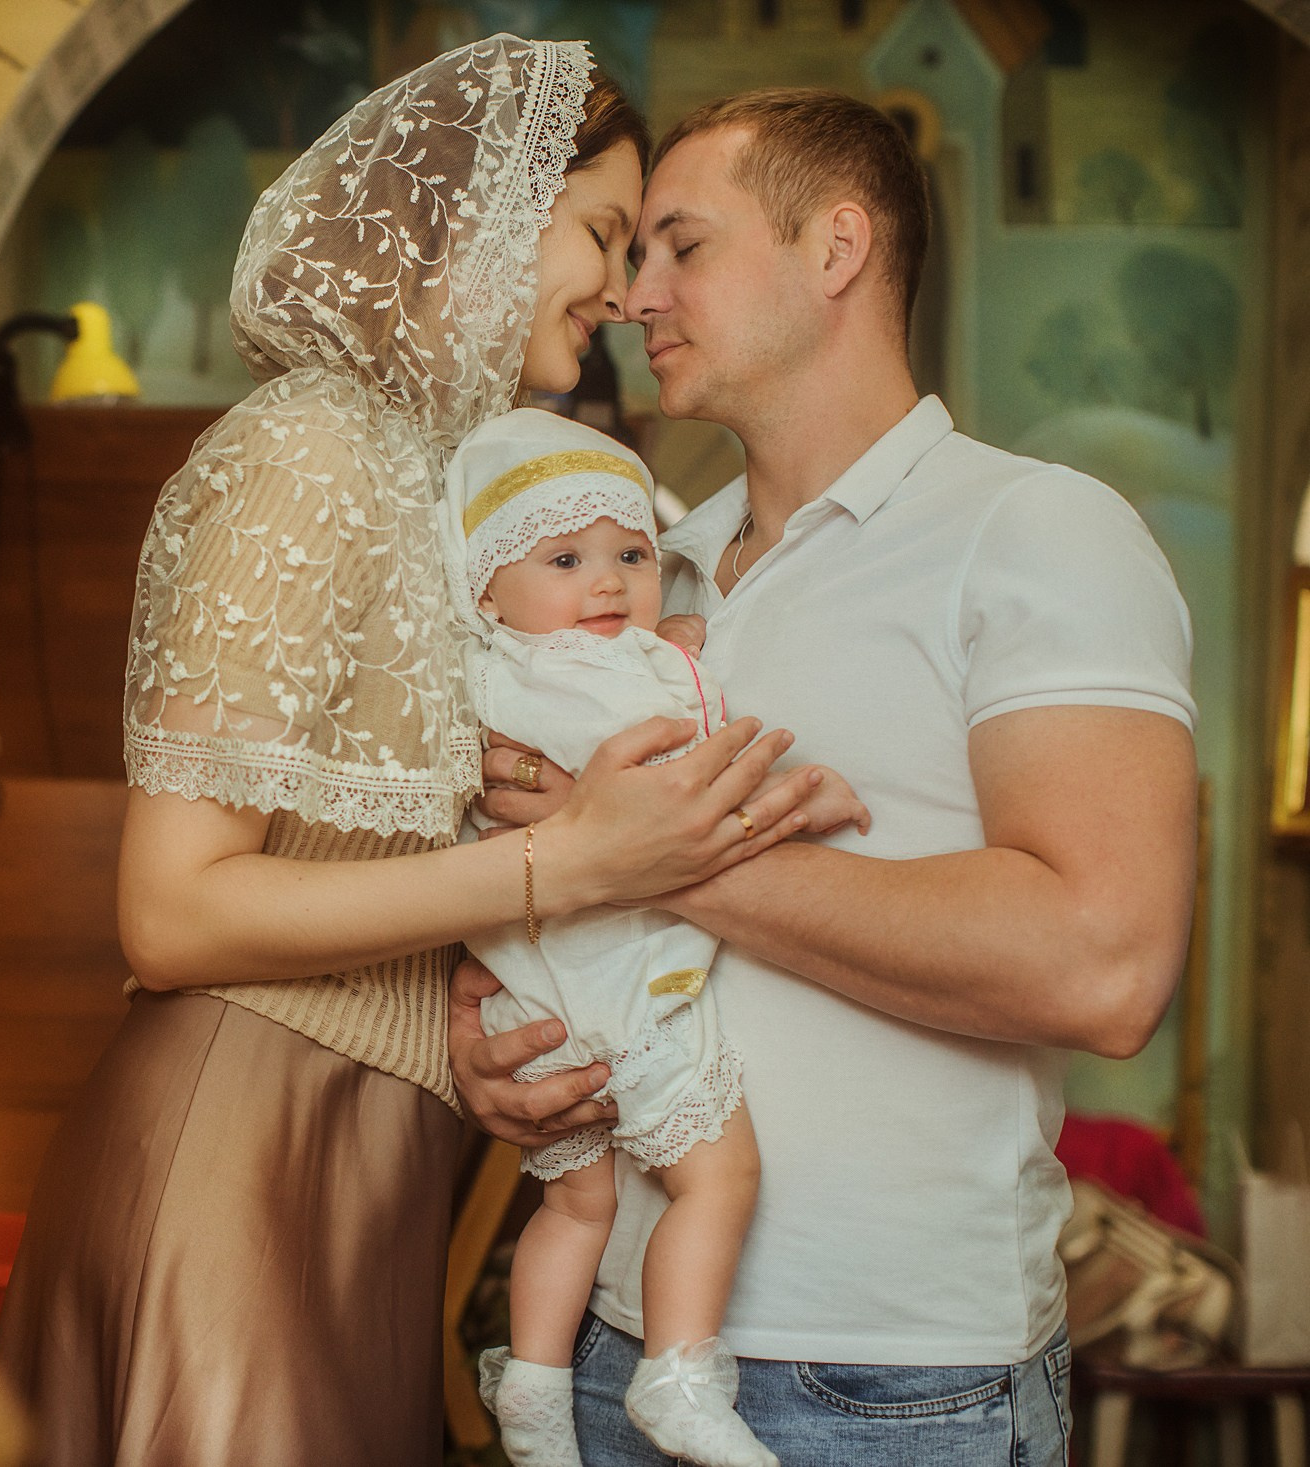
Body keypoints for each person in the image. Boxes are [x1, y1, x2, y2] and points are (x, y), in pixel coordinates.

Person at [0, 39, 824, 1467]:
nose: (622, 291)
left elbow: (369, 861)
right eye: (604, 234)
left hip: (366, 1149)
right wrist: (568, 863)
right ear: (486, 218)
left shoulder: (434, 483)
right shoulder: (313, 448)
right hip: (244, 1142)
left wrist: (466, 1020)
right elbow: (171, 910)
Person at [451, 88, 1198, 1465]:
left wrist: (659, 856)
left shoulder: (1039, 531)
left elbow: (1105, 966)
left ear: (837, 246)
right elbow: (548, 884)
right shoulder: (641, 574)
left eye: (682, 247)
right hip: (611, 1339)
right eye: (633, 254)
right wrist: (488, 1046)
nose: (634, 294)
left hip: (895, 1384)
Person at [443, 410, 865, 1467]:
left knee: (575, 1205)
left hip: (530, 999)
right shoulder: (594, 684)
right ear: (486, 589)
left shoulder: (489, 677)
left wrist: (658, 644)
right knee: (716, 1178)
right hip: (618, 983)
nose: (607, 582)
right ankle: (677, 1375)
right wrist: (800, 797)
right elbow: (675, 807)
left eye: (632, 555)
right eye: (566, 559)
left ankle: (533, 1389)